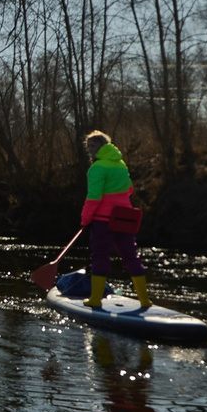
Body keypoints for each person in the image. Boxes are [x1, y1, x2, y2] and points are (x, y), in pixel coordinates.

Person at [80, 130, 149, 309]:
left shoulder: (97, 168)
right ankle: (144, 300)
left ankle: (95, 299)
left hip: (103, 220)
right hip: (124, 218)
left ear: (103, 146)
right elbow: (129, 190)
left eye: (93, 146)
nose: (90, 150)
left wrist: (85, 219)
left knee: (100, 256)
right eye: (88, 147)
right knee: (131, 257)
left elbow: (94, 197)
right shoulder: (121, 164)